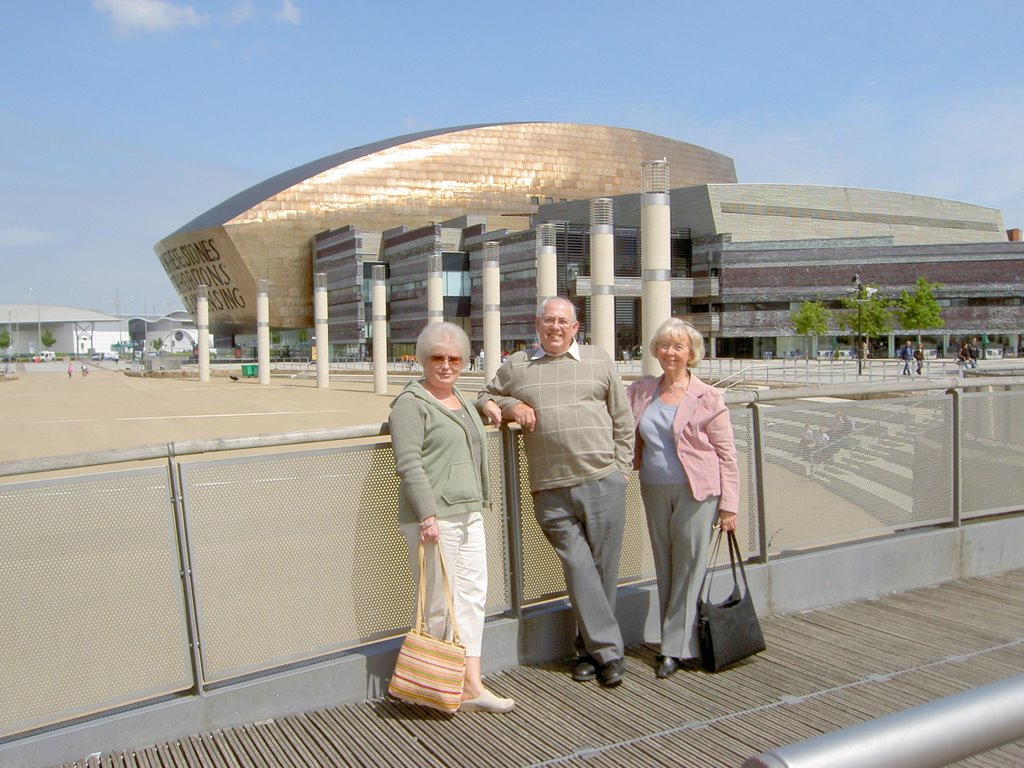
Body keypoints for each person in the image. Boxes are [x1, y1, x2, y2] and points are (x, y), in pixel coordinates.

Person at [478, 297, 634, 687]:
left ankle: (589, 652)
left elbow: (623, 418)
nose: (555, 327)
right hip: (550, 488)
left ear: (575, 327)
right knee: (579, 568)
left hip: (603, 481)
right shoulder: (518, 365)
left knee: (602, 572)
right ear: (537, 324)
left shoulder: (599, 360)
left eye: (563, 321)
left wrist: (622, 470)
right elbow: (484, 397)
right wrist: (511, 405)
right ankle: (609, 653)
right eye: (549, 320)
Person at [388, 322, 514, 714]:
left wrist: (486, 404)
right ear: (423, 360)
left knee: (473, 597)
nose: (446, 365)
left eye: (454, 358)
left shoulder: (458, 395)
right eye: (437, 358)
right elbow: (408, 464)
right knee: (439, 603)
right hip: (435, 517)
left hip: (469, 511)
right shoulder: (410, 403)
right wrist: (426, 514)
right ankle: (435, 685)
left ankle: (471, 683)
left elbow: (464, 416)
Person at [625, 318, 738, 678]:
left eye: (678, 347)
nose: (670, 352)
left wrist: (729, 505)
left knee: (689, 568)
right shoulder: (641, 390)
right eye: (665, 346)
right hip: (654, 488)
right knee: (665, 565)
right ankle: (675, 640)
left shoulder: (707, 395)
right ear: (656, 351)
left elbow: (727, 454)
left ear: (691, 354)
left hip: (697, 492)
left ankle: (673, 648)